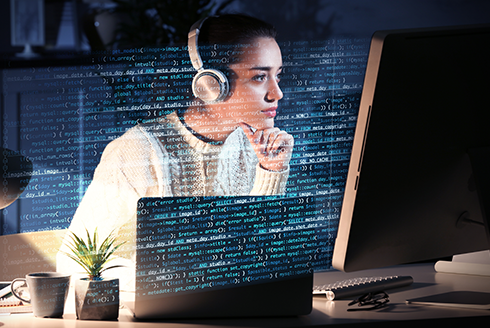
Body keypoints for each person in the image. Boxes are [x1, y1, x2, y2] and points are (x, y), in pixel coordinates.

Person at [56, 14, 293, 290]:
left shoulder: (260, 149)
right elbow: (73, 262)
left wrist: (272, 172)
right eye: (260, 77)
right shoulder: (138, 150)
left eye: (277, 76)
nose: (277, 93)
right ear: (212, 83)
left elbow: (259, 258)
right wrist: (167, 279)